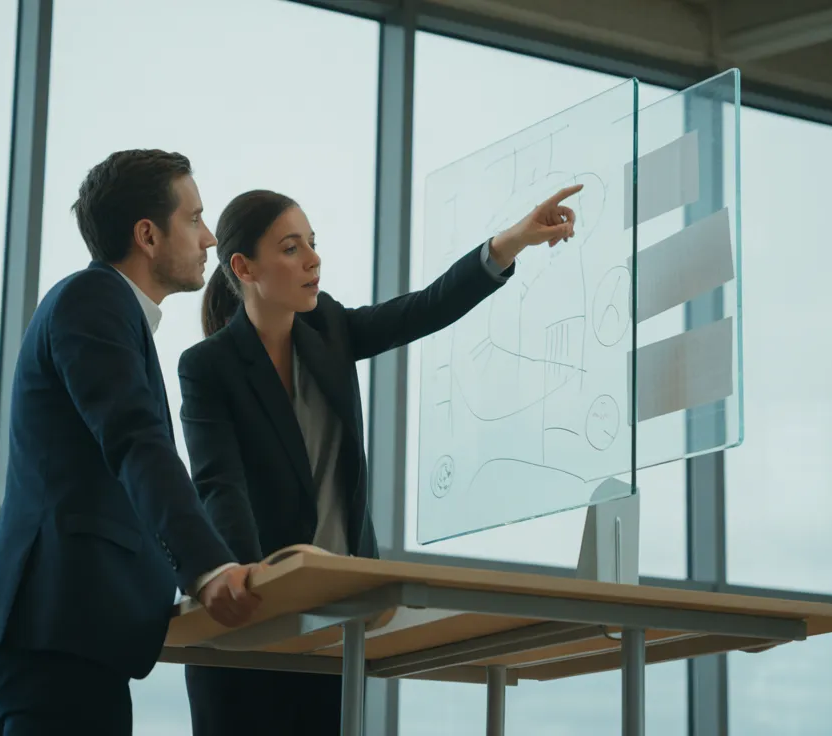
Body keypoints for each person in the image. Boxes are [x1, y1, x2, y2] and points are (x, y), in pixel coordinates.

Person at [175, 184, 582, 735]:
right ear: (244, 267)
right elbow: (219, 485)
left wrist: (512, 241)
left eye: (312, 243)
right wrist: (257, 593)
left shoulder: (329, 329)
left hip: (334, 622)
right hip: (252, 620)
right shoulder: (208, 367)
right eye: (291, 248)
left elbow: (424, 308)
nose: (313, 259)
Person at [0, 149, 266, 736]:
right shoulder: (93, 301)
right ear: (147, 234)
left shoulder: (105, 309)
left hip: (58, 634)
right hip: (58, 631)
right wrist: (208, 568)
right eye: (195, 218)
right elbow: (135, 440)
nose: (211, 237)